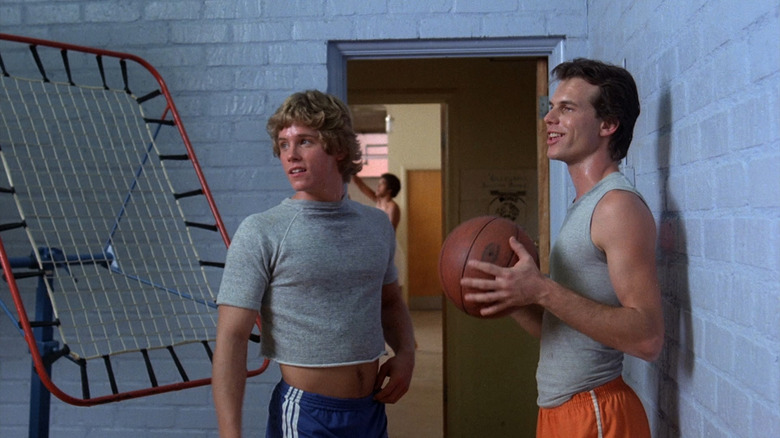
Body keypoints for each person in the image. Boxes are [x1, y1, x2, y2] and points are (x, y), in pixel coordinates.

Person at [461, 58, 664, 437]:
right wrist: (515, 298)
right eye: (551, 107)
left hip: (597, 410)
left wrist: (541, 288)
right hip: (563, 410)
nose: (549, 119)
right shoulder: (583, 206)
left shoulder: (617, 206)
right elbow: (566, 330)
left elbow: (648, 337)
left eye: (567, 108)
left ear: (608, 124)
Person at [212, 90, 416, 438]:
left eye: (304, 141)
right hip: (308, 416)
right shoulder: (263, 231)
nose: (290, 154)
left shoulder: (376, 224)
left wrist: (407, 352)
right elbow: (232, 338)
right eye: (283, 144)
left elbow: (390, 302)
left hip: (370, 409)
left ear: (338, 147)